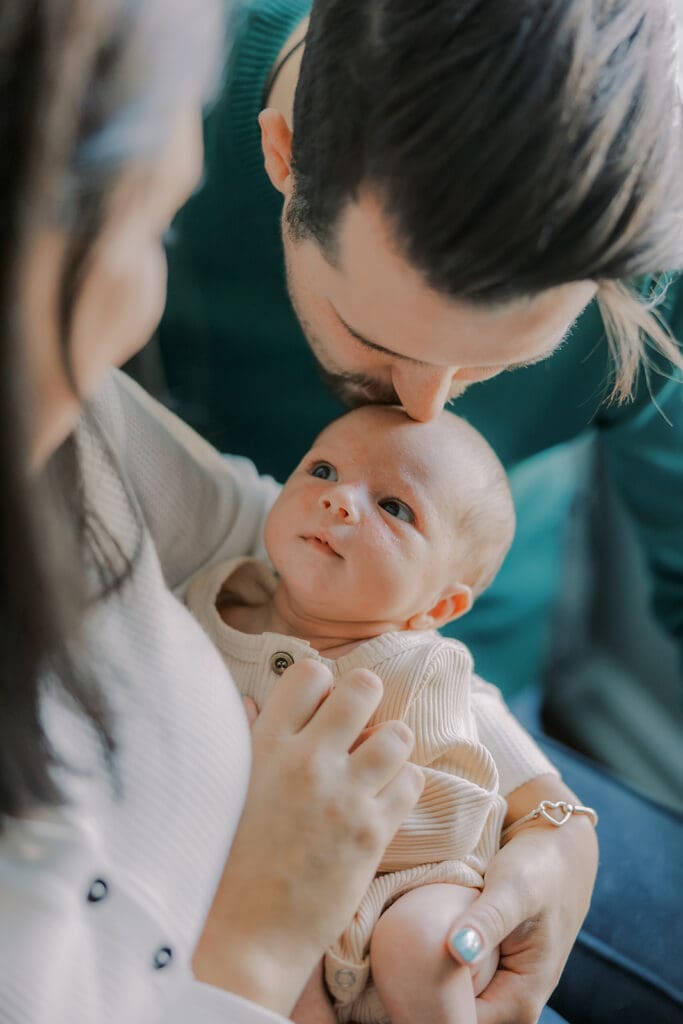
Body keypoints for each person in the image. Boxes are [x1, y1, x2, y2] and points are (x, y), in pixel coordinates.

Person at [157, 2, 683, 1021]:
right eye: (372, 336)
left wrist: (550, 815)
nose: (427, 405)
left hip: (474, 717)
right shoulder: (159, 107)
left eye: (499, 357)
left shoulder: (647, 251)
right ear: (279, 154)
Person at [0, 2, 427, 1020]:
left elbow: (267, 529)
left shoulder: (79, 437)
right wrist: (259, 940)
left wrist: (551, 820)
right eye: (153, 231)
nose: (423, 400)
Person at [187, 405, 598, 1024]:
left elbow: (473, 798)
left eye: (395, 508)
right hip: (266, 914)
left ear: (438, 604)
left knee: (419, 946)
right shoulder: (212, 605)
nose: (339, 500)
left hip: (412, 888)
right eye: (322, 469)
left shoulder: (420, 668)